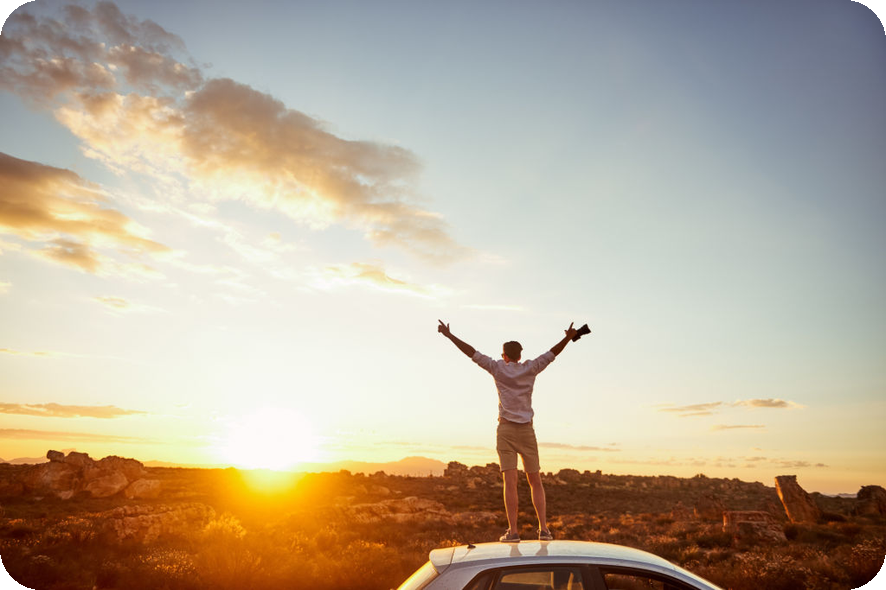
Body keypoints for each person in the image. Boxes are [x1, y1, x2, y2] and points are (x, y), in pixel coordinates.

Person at [437, 319, 581, 543]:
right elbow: (552, 354)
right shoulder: (530, 368)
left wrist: (449, 335)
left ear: (504, 355)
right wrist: (568, 338)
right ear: (520, 356)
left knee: (510, 483)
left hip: (505, 431)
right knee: (535, 481)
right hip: (527, 432)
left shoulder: (497, 368)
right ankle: (544, 530)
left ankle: (513, 532)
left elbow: (472, 353)